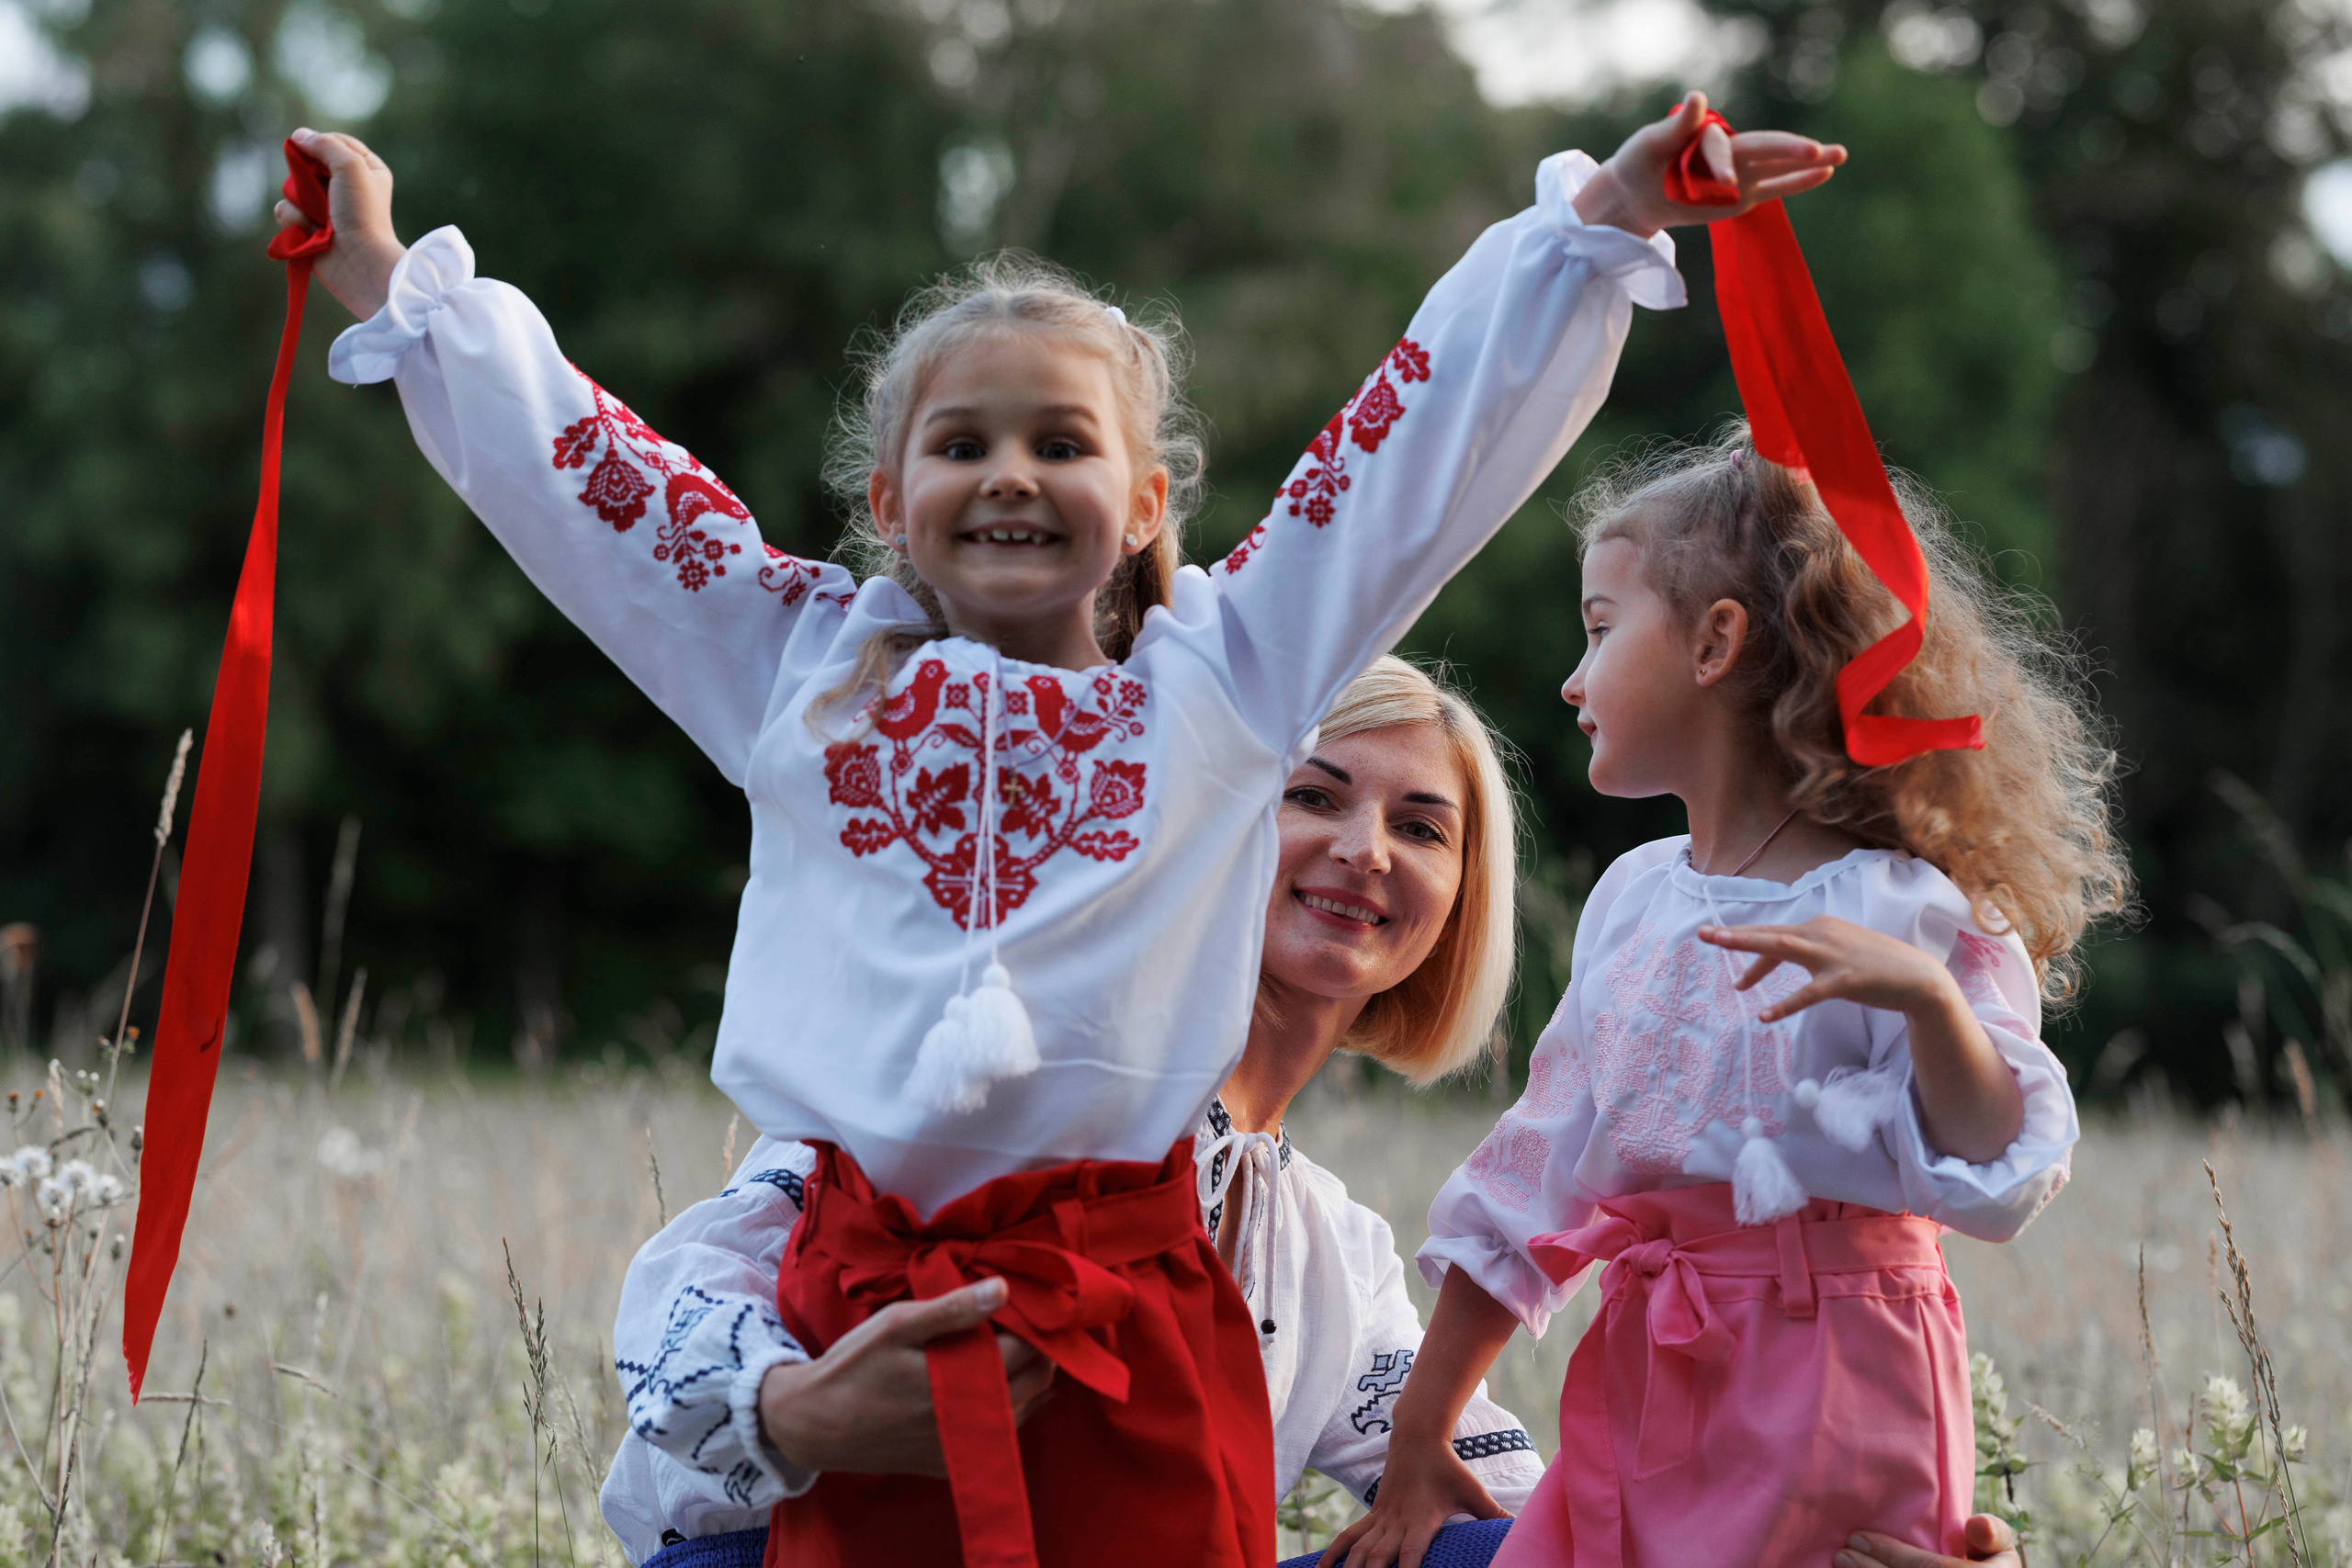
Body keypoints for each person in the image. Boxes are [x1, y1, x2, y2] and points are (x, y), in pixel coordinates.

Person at [277, 99, 1844, 1566]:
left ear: (1149, 500)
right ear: (888, 501)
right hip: (853, 1308)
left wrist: (1597, 227)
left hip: (1130, 1326)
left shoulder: (1227, 677)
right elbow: (589, 487)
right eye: (961, 446)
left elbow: (1406, 451)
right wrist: (392, 283)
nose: (1010, 473)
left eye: (1062, 443)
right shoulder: (790, 668)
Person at [1323, 431, 2130, 1568]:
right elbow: (1531, 1183)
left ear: (1713, 641)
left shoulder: (1908, 909)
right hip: (1654, 1371)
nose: (1571, 675)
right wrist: (1418, 1437)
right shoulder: (1634, 896)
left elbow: (1997, 1174)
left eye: (1601, 629)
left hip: (1842, 1385)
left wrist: (1931, 1008)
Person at [599, 658, 1545, 1562]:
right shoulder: (1034, 1070)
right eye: (1312, 796)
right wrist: (794, 1408)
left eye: (1422, 829)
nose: (1363, 848)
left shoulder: (1332, 1252)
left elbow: (1506, 1494)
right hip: (799, 1549)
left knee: (1513, 1557)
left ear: (1460, 902)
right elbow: (686, 1285)